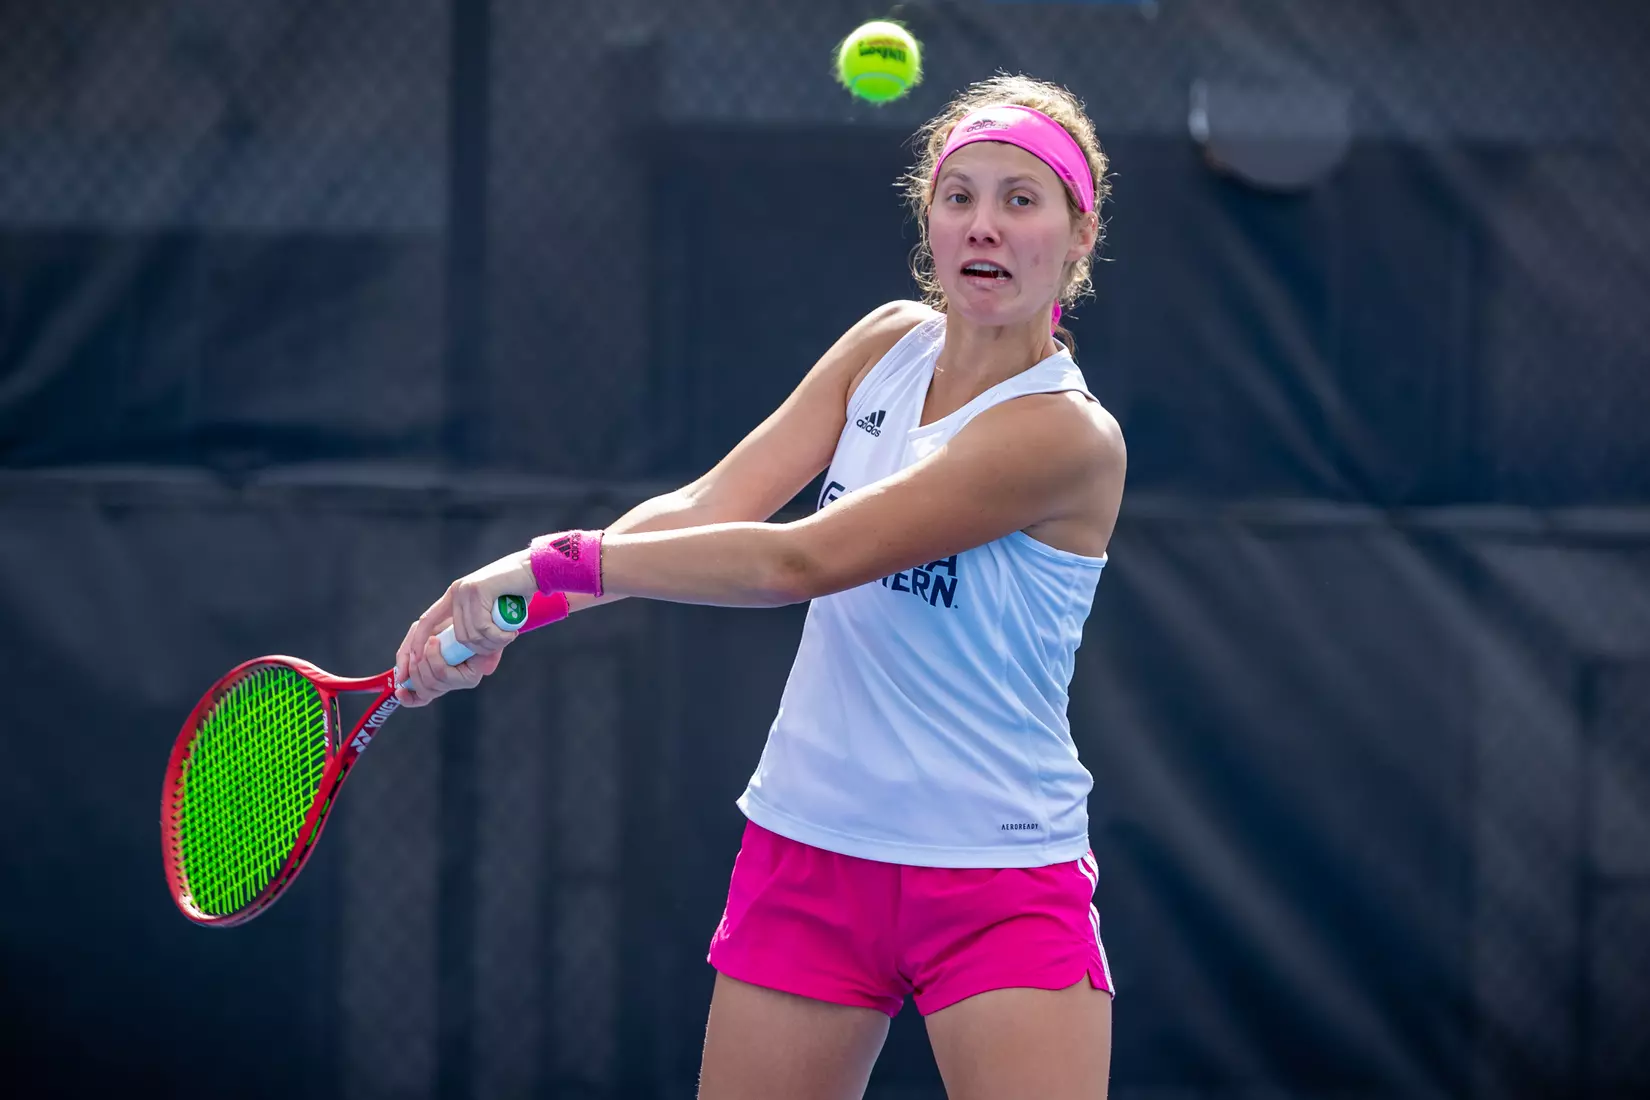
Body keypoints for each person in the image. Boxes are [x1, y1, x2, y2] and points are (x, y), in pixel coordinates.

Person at [396, 73, 1126, 1100]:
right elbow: (709, 504)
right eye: (960, 195)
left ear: (1077, 236)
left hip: (996, 873)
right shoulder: (885, 344)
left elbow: (800, 559)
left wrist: (558, 559)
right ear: (930, 215)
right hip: (810, 850)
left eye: (1021, 198)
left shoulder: (1064, 437)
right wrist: (527, 605)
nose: (986, 224)